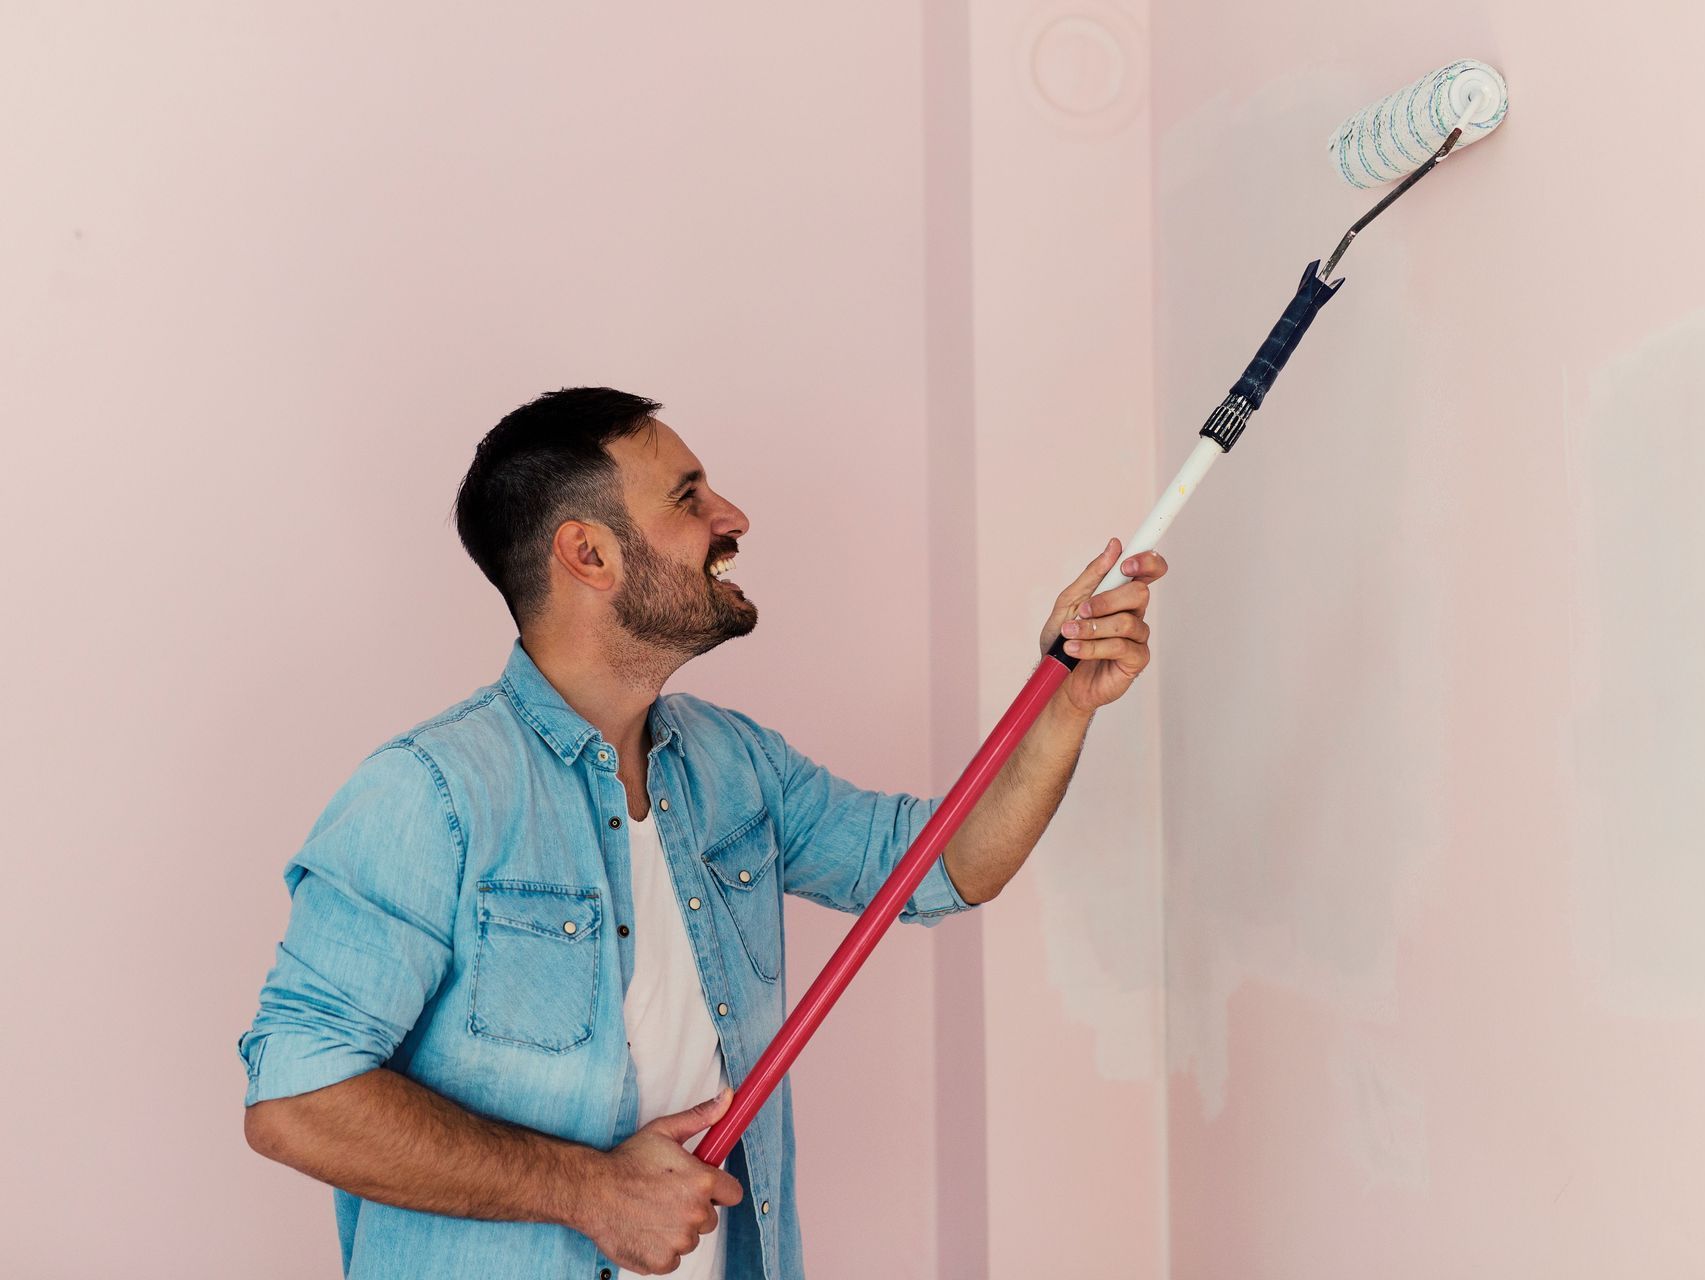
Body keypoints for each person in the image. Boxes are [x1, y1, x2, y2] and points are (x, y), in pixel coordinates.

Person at [237, 387, 1167, 1279]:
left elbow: (944, 865)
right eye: (688, 498)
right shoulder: (430, 793)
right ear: (588, 554)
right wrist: (592, 1191)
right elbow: (296, 1100)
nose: (734, 518)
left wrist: (1065, 703)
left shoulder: (735, 766)